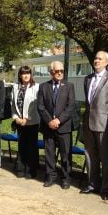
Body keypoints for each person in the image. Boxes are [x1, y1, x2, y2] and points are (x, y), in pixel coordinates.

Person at [80, 51, 108, 200]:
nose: (96, 61)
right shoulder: (88, 79)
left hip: (104, 124)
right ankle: (92, 184)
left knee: (105, 157)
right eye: (95, 58)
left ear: (106, 62)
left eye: (99, 59)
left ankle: (106, 188)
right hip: (88, 123)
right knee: (90, 155)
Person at [37, 61, 75, 189]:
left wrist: (58, 120)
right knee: (49, 154)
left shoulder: (69, 86)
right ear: (51, 72)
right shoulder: (43, 87)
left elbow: (70, 107)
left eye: (62, 71)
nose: (60, 73)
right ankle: (50, 176)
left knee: (65, 154)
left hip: (63, 127)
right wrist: (50, 121)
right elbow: (41, 107)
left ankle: (66, 178)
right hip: (48, 127)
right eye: (57, 71)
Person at [11, 66, 40, 178]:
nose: (26, 75)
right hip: (19, 122)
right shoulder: (15, 87)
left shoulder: (36, 87)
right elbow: (12, 104)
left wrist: (26, 119)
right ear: (20, 75)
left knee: (31, 147)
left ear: (31, 75)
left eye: (28, 73)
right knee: (21, 146)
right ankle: (20, 169)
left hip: (32, 122)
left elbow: (35, 105)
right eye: (23, 73)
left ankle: (30, 171)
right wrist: (16, 118)